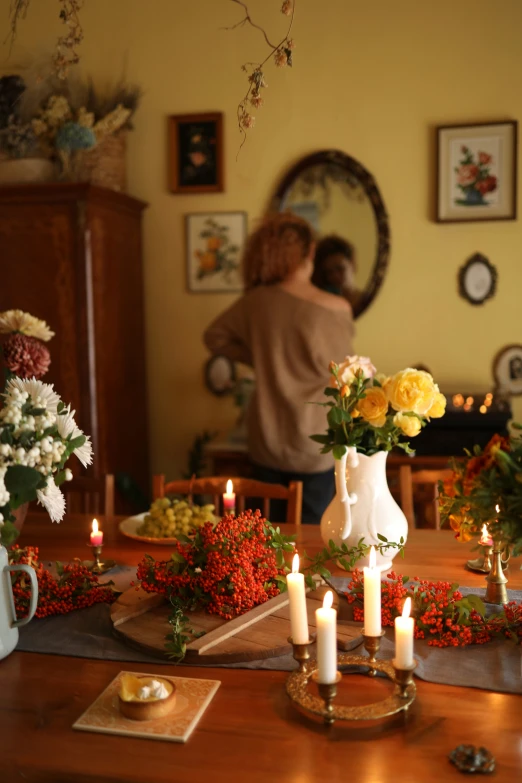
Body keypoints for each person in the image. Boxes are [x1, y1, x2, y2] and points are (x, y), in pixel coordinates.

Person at [203, 213, 354, 524]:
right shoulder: (334, 308)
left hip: (266, 441)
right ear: (310, 252)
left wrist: (258, 356)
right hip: (314, 444)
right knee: (311, 542)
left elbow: (213, 337)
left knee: (265, 538)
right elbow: (347, 376)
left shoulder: (255, 302)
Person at [312, 234, 362, 312]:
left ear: (352, 265)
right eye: (329, 272)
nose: (335, 276)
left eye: (340, 268)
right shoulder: (326, 304)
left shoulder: (367, 299)